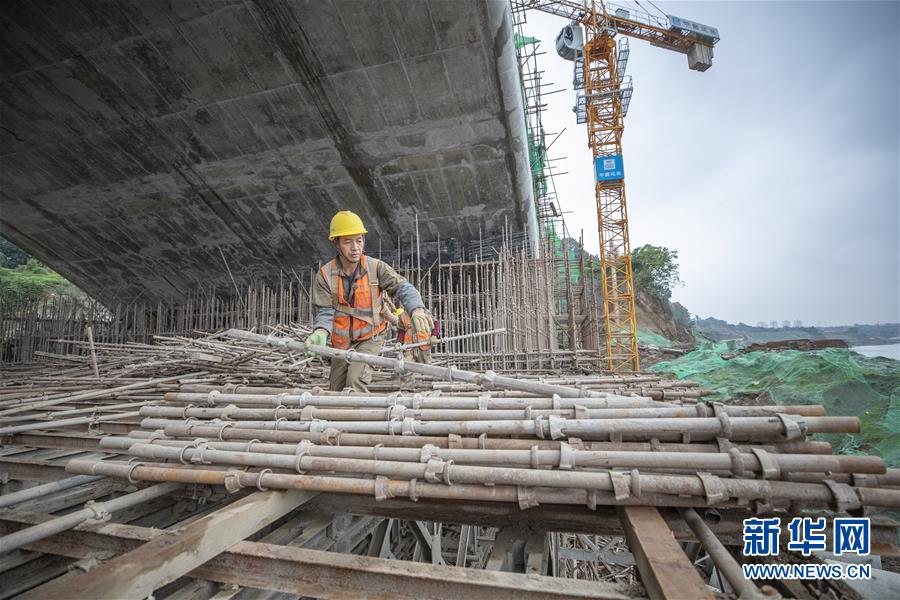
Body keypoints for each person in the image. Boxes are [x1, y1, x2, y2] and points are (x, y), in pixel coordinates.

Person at [306, 210, 433, 392]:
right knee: (335, 388)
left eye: (359, 240)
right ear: (336, 243)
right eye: (348, 242)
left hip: (370, 337)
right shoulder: (325, 275)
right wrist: (320, 331)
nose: (355, 247)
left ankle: (358, 418)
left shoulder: (376, 268)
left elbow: (402, 287)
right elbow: (325, 311)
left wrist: (417, 310)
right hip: (341, 341)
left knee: (355, 380)